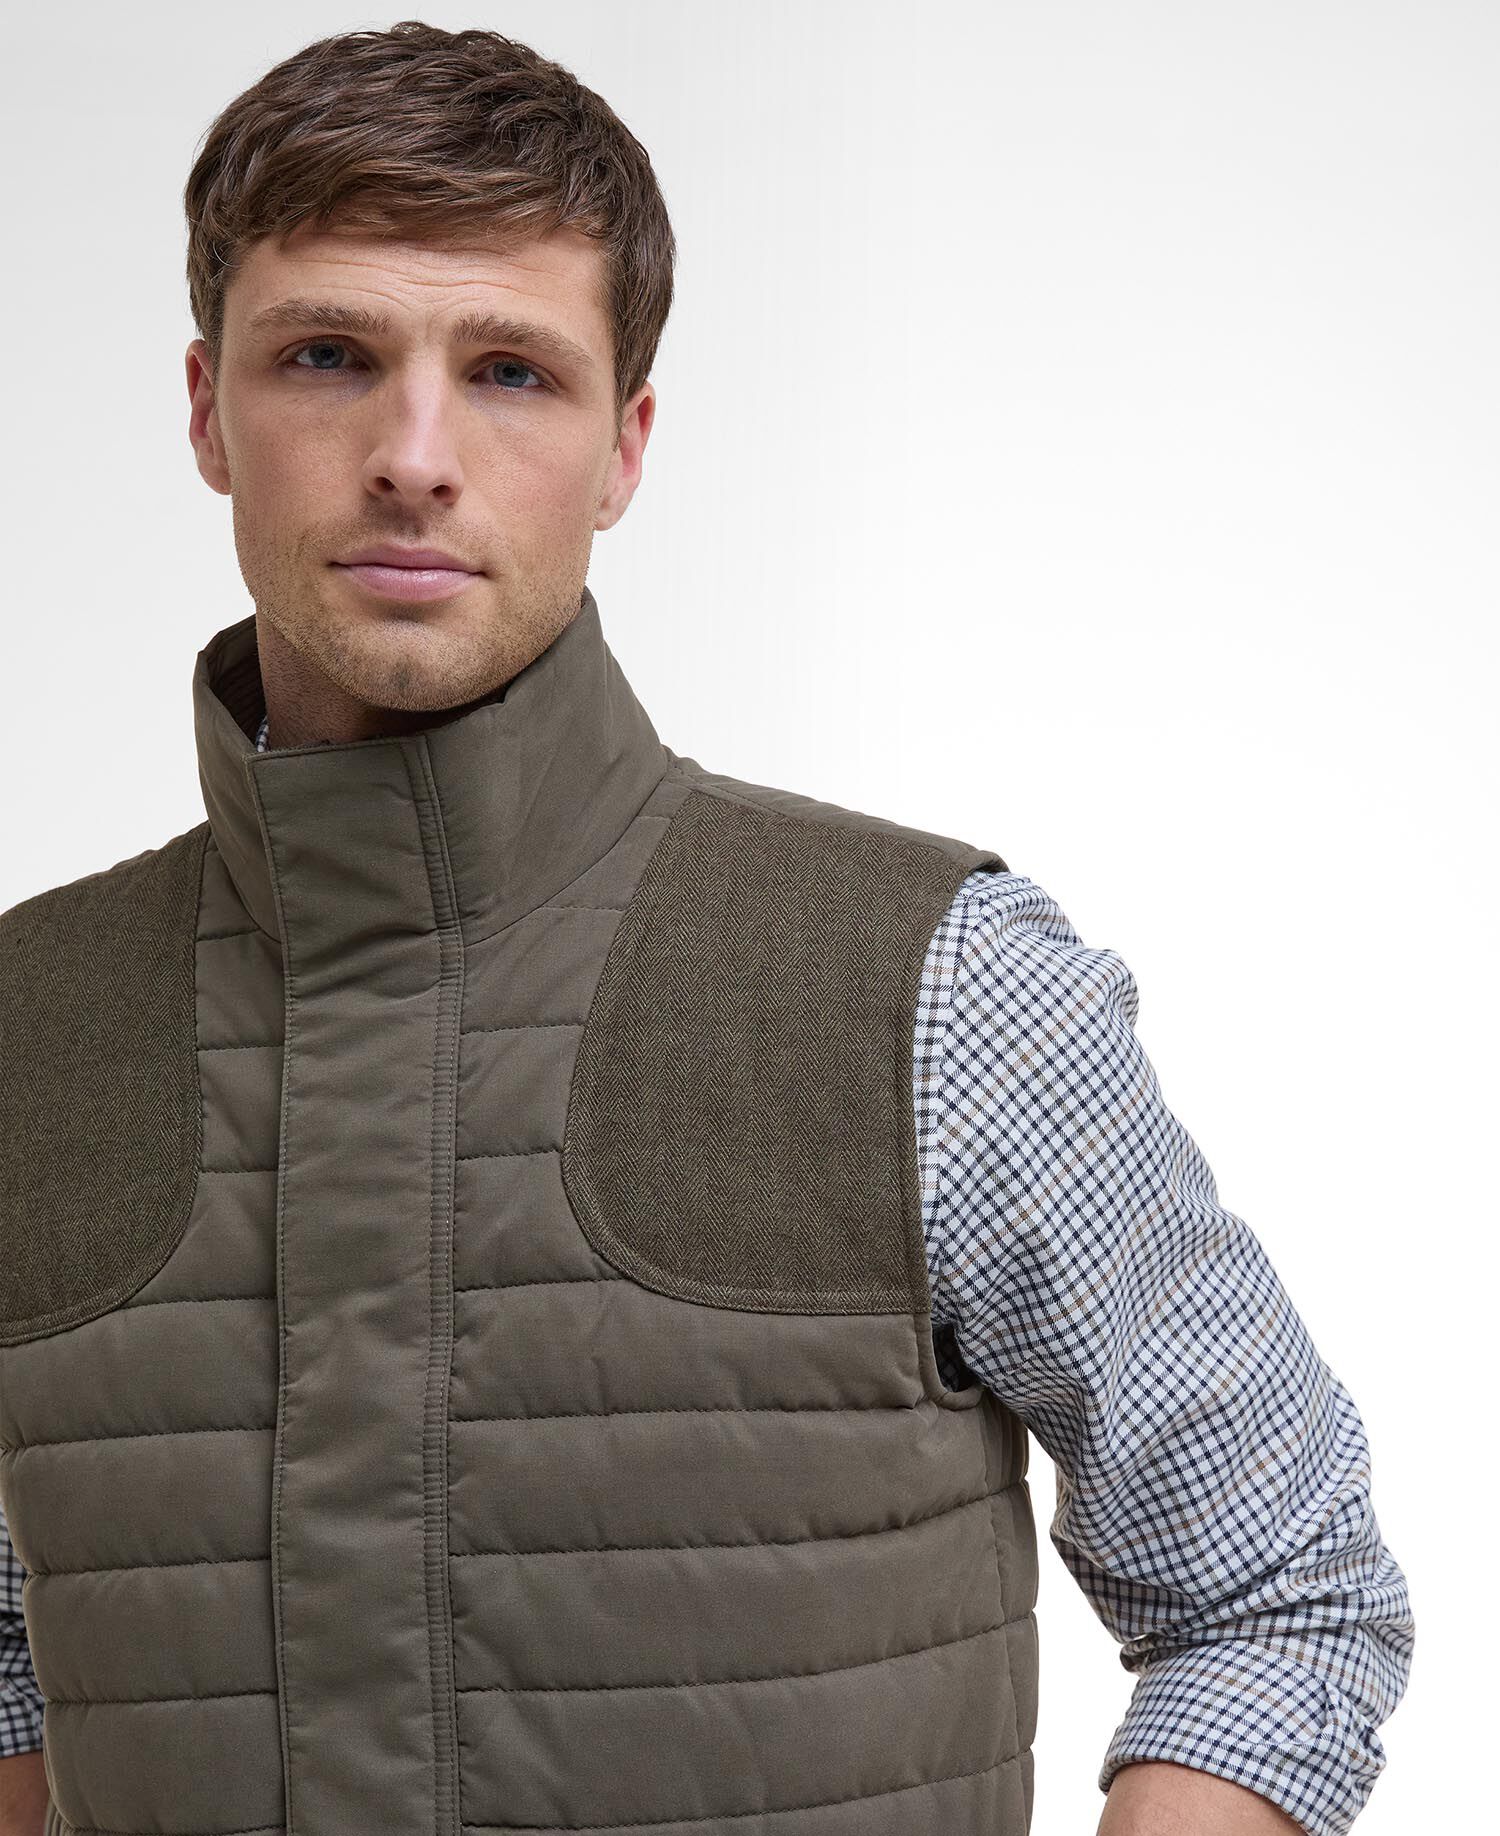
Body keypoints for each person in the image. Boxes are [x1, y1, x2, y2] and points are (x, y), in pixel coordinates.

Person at [0, 21, 1412, 1836]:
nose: (414, 455)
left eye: (511, 371)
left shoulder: (933, 987)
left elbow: (1281, 1596)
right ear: (208, 410)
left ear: (625, 448)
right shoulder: (27, 1028)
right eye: (329, 355)